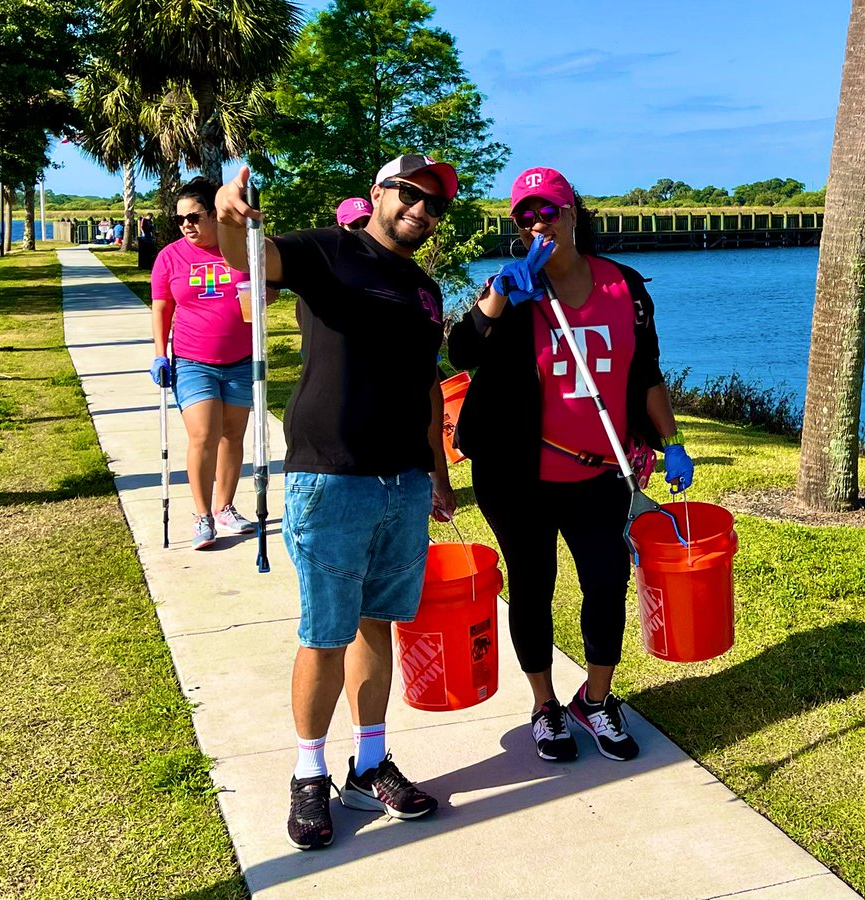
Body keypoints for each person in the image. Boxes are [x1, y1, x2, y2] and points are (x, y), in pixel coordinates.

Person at [214, 154, 458, 851]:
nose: (421, 209)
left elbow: (425, 388)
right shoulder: (329, 249)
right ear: (380, 193)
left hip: (404, 482)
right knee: (324, 633)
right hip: (330, 478)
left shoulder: (426, 291)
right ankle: (308, 772)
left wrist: (436, 472)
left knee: (377, 624)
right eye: (410, 194)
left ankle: (370, 764)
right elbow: (253, 263)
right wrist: (232, 222)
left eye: (434, 205)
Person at [447, 166, 695, 764]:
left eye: (549, 211)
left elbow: (647, 375)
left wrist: (672, 439)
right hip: (517, 477)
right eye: (525, 216)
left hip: (599, 471)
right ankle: (544, 707)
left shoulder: (625, 288)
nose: (539, 224)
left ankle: (597, 698)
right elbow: (461, 350)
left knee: (607, 581)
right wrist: (502, 295)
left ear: (573, 212)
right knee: (532, 586)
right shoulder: (511, 291)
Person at [149, 176, 258, 550]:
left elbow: (269, 289)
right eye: (180, 219)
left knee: (233, 435)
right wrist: (160, 353)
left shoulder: (243, 249)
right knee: (203, 435)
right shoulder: (170, 257)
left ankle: (225, 507)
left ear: (214, 214)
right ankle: (202, 515)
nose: (186, 225)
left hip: (241, 359)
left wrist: (263, 293)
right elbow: (162, 307)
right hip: (193, 360)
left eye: (194, 216)